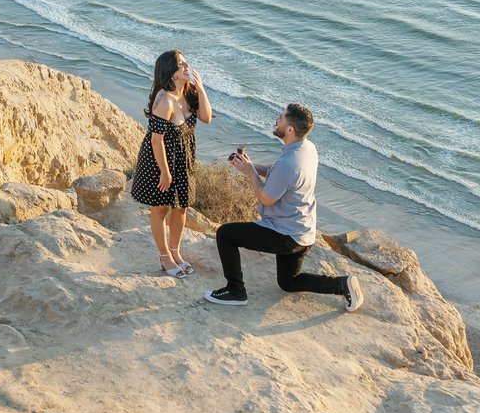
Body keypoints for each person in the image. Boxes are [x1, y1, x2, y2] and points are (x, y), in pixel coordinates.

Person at [204, 102, 363, 311]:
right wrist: (249, 166)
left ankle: (235, 291)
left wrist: (251, 172)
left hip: (285, 234)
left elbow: (266, 198)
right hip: (303, 231)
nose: (277, 119)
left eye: (281, 117)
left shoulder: (290, 163)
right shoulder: (306, 148)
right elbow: (277, 173)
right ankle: (342, 284)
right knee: (288, 282)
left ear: (290, 129)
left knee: (225, 234)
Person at [130, 49, 213, 276]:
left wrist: (201, 88)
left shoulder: (190, 92)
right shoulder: (164, 100)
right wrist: (165, 173)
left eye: (186, 62)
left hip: (184, 158)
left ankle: (176, 252)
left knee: (182, 207)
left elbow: (206, 117)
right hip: (161, 159)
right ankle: (165, 256)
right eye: (181, 65)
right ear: (171, 72)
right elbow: (156, 141)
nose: (187, 67)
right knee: (161, 208)